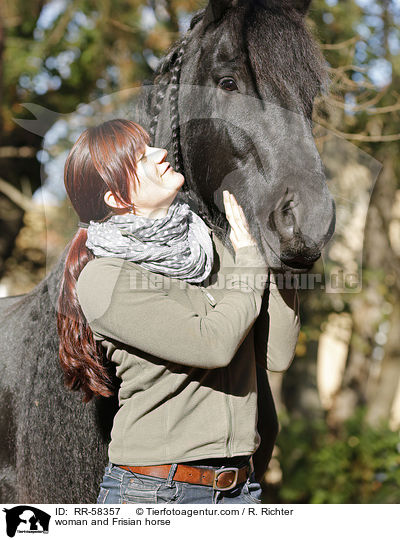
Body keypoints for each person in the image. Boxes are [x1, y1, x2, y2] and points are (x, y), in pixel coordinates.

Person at [57, 118, 300, 504]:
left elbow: (276, 353)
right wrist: (251, 262)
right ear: (116, 199)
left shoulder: (211, 248)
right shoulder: (105, 279)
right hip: (159, 492)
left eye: (151, 146)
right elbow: (214, 345)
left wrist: (285, 255)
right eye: (141, 158)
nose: (160, 154)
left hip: (242, 488)